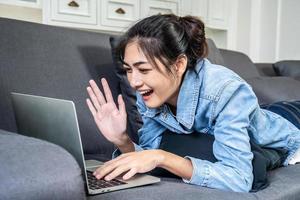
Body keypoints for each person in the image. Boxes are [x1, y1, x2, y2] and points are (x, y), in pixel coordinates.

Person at [86, 14, 300, 192]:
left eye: (143, 70)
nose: (134, 81)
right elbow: (147, 155)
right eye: (128, 70)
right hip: (253, 115)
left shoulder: (226, 91)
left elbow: (239, 179)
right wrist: (122, 140)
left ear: (179, 64)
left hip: (288, 120)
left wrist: (163, 157)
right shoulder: (150, 93)